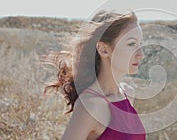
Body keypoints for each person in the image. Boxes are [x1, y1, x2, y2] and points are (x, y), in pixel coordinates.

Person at [43, 10, 146, 140]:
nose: (141, 54)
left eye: (140, 44)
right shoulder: (90, 106)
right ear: (103, 49)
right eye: (131, 44)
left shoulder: (128, 94)